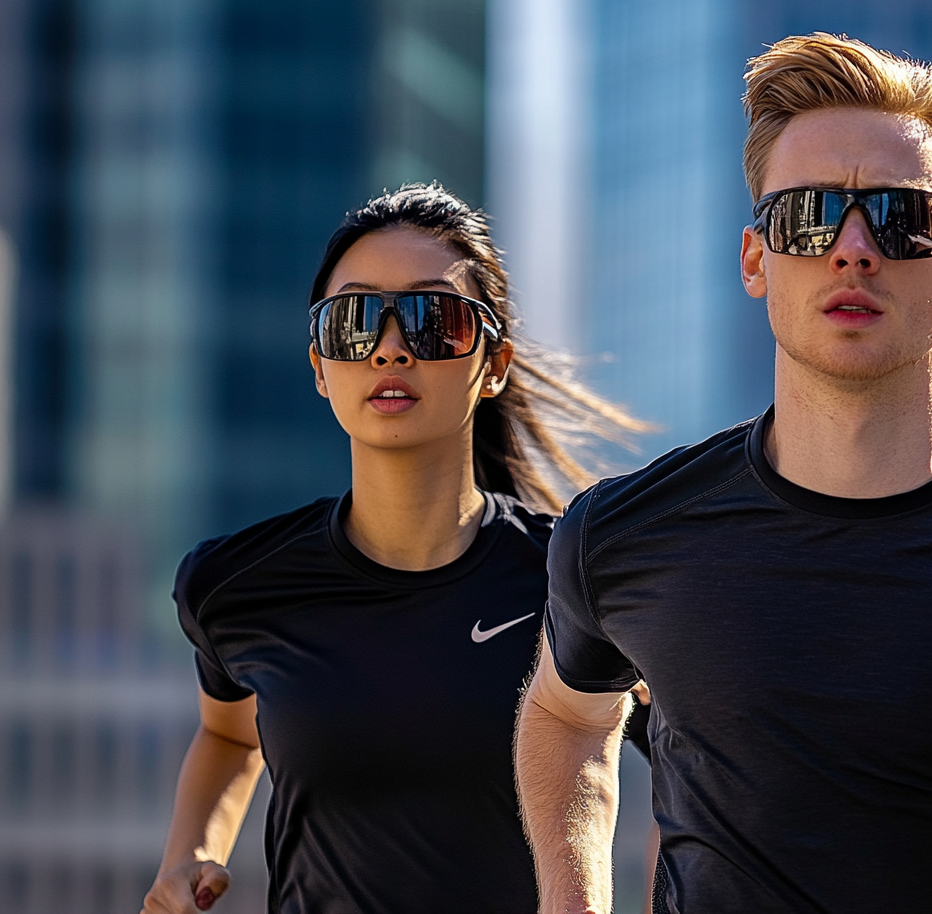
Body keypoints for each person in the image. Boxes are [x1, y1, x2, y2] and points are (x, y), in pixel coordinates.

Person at [515, 33, 932, 914]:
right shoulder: (621, 534)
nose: (852, 249)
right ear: (756, 259)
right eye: (808, 216)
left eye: (902, 216)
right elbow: (568, 716)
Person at [140, 182, 645, 914]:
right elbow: (228, 734)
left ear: (493, 363)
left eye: (431, 320)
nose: (389, 348)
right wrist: (190, 852)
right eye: (353, 321)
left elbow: (706, 770)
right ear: (320, 365)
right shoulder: (237, 584)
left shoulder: (575, 583)